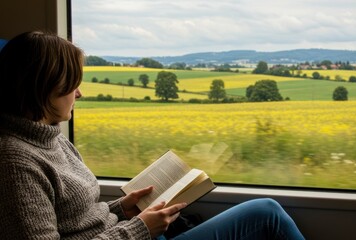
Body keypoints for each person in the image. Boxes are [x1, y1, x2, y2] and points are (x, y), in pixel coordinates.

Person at [0, 31, 305, 240]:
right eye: (72, 84)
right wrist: (139, 229)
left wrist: (124, 208)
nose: (79, 93)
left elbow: (78, 220)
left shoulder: (53, 139)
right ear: (43, 86)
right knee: (267, 215)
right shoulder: (14, 161)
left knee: (266, 211)